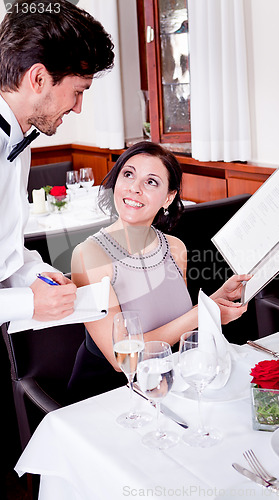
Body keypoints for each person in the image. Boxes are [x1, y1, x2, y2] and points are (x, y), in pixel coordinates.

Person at [68, 141, 251, 402]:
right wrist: (203, 313)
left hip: (167, 383)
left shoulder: (175, 248)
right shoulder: (88, 255)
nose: (134, 188)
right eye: (128, 174)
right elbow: (120, 360)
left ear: (169, 196)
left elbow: (172, 315)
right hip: (108, 394)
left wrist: (220, 298)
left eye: (151, 182)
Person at [0, 0, 115, 325]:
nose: (79, 108)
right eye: (78, 91)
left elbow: (6, 253)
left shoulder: (20, 141)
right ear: (38, 79)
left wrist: (40, 276)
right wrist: (27, 302)